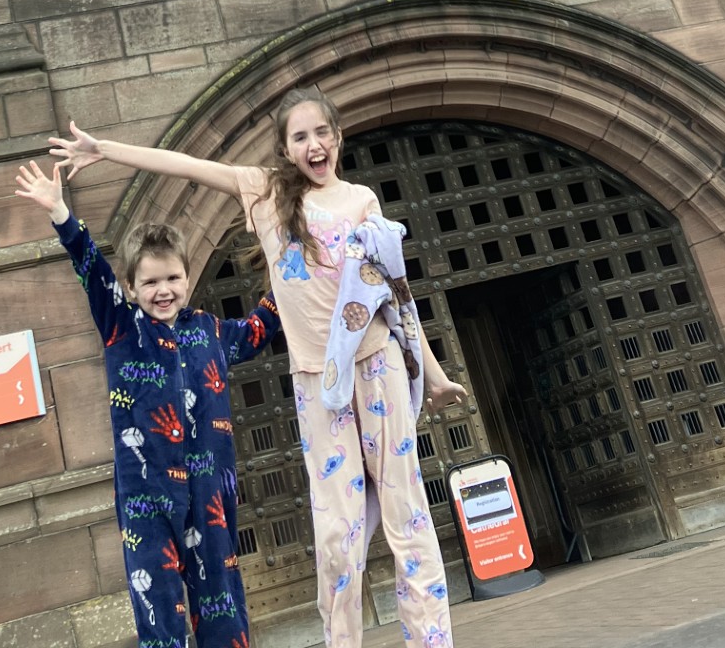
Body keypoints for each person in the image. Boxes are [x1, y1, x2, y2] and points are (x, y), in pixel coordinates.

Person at [50, 90, 466, 648]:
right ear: (286, 149)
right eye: (300, 137)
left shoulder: (363, 200)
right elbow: (188, 165)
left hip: (378, 363)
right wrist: (105, 148)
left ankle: (432, 641)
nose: (314, 145)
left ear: (337, 137)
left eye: (323, 132)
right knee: (338, 534)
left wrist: (431, 374)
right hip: (317, 383)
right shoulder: (265, 195)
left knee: (406, 514)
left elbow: (394, 295)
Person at [15, 158, 279, 648]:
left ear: (187, 279)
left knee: (221, 602)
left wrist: (289, 256)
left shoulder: (210, 331)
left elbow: (263, 326)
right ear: (133, 288)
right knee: (158, 612)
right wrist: (61, 215)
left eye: (173, 279)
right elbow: (91, 269)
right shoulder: (122, 328)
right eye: (152, 282)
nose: (164, 290)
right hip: (146, 494)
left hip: (210, 493)